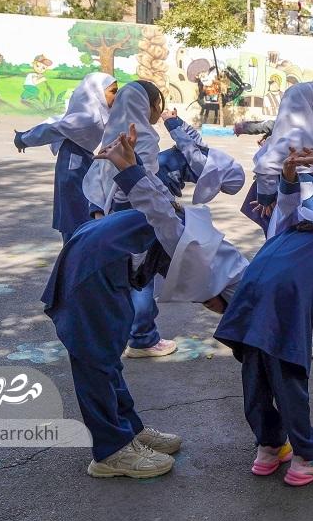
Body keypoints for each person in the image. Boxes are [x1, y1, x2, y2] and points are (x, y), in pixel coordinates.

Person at [42, 127, 245, 479]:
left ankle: (129, 430)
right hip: (94, 268)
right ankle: (110, 451)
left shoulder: (206, 246)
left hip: (103, 260)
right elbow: (157, 207)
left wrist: (130, 163)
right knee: (96, 360)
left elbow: (155, 197)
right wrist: (129, 168)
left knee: (108, 356)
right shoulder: (193, 248)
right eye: (217, 307)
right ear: (219, 291)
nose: (210, 310)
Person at [215, 82, 313, 485]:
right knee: (288, 367)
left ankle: (269, 446)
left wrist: (291, 178)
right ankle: (306, 457)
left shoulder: (286, 224)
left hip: (257, 276)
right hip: (289, 288)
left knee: (257, 366)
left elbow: (288, 207)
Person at [82, 81, 176, 359]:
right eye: (158, 103)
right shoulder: (144, 139)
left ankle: (120, 332)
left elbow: (96, 184)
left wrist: (100, 215)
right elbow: (138, 183)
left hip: (106, 219)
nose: (159, 110)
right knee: (142, 276)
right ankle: (143, 337)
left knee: (120, 278)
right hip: (134, 217)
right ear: (147, 106)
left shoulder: (111, 135)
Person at [14, 73, 118, 241]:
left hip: (80, 159)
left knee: (79, 210)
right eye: (113, 91)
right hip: (72, 163)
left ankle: (75, 253)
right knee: (75, 212)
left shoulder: (96, 112)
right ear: (97, 92)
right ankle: (72, 256)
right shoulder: (87, 118)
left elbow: (56, 121)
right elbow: (52, 129)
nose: (117, 96)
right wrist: (23, 139)